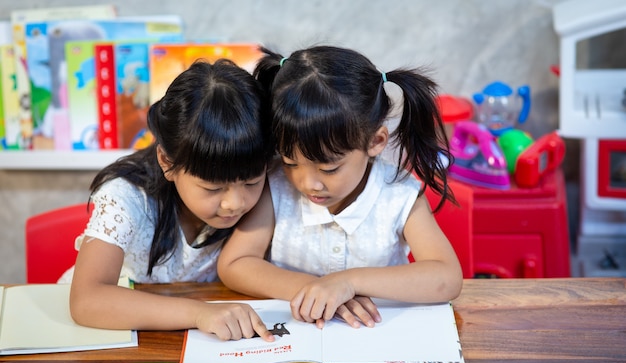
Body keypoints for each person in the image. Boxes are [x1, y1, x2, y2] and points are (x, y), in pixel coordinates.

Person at [218, 45, 463, 330]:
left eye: (329, 168)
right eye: (290, 162)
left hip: (376, 340)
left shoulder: (399, 194)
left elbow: (446, 277)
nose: (308, 183)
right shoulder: (277, 185)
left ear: (375, 142)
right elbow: (234, 264)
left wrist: (348, 282)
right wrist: (316, 289)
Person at [69, 60, 275, 342]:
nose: (235, 203)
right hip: (108, 339)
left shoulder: (268, 184)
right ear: (167, 161)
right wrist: (199, 313)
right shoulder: (126, 198)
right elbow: (87, 300)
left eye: (251, 182)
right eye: (213, 188)